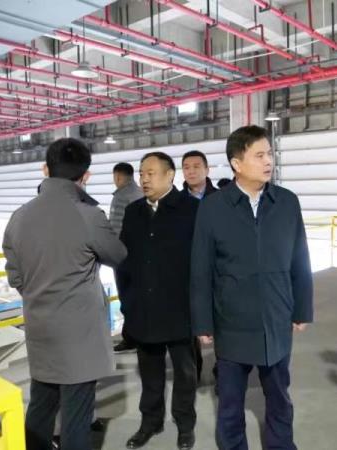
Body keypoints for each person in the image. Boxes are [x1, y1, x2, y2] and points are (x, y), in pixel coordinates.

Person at [191, 125, 313, 450]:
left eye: (269, 154)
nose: (268, 161)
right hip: (232, 322)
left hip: (276, 318)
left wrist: (302, 307)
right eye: (259, 155)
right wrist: (202, 322)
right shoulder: (213, 207)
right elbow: (201, 269)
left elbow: (300, 258)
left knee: (279, 398)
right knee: (230, 404)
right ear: (237, 163)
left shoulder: (286, 202)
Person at [3, 138, 127, 450]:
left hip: (40, 330)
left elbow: (15, 277)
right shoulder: (88, 215)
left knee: (41, 406)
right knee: (76, 417)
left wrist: (40, 295)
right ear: (85, 175)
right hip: (79, 336)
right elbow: (118, 255)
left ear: (46, 169)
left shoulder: (19, 216)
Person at [117, 152, 198, 450]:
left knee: (185, 373)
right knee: (149, 373)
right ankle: (150, 422)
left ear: (170, 175)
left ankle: (185, 425)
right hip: (144, 309)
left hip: (180, 310)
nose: (144, 179)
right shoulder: (133, 211)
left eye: (151, 173)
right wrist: (128, 303)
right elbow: (124, 261)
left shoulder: (191, 209)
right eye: (141, 173)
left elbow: (202, 264)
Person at [181, 150, 218, 382]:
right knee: (189, 327)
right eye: (186, 167)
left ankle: (223, 371)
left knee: (221, 322)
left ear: (207, 169)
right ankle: (192, 373)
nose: (191, 171)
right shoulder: (176, 202)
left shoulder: (221, 199)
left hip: (218, 270)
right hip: (187, 271)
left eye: (196, 166)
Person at [109, 162, 144, 353]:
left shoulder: (121, 197)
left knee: (127, 298)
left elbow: (115, 230)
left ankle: (131, 338)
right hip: (139, 256)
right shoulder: (140, 193)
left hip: (123, 257)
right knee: (137, 297)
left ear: (118, 177)